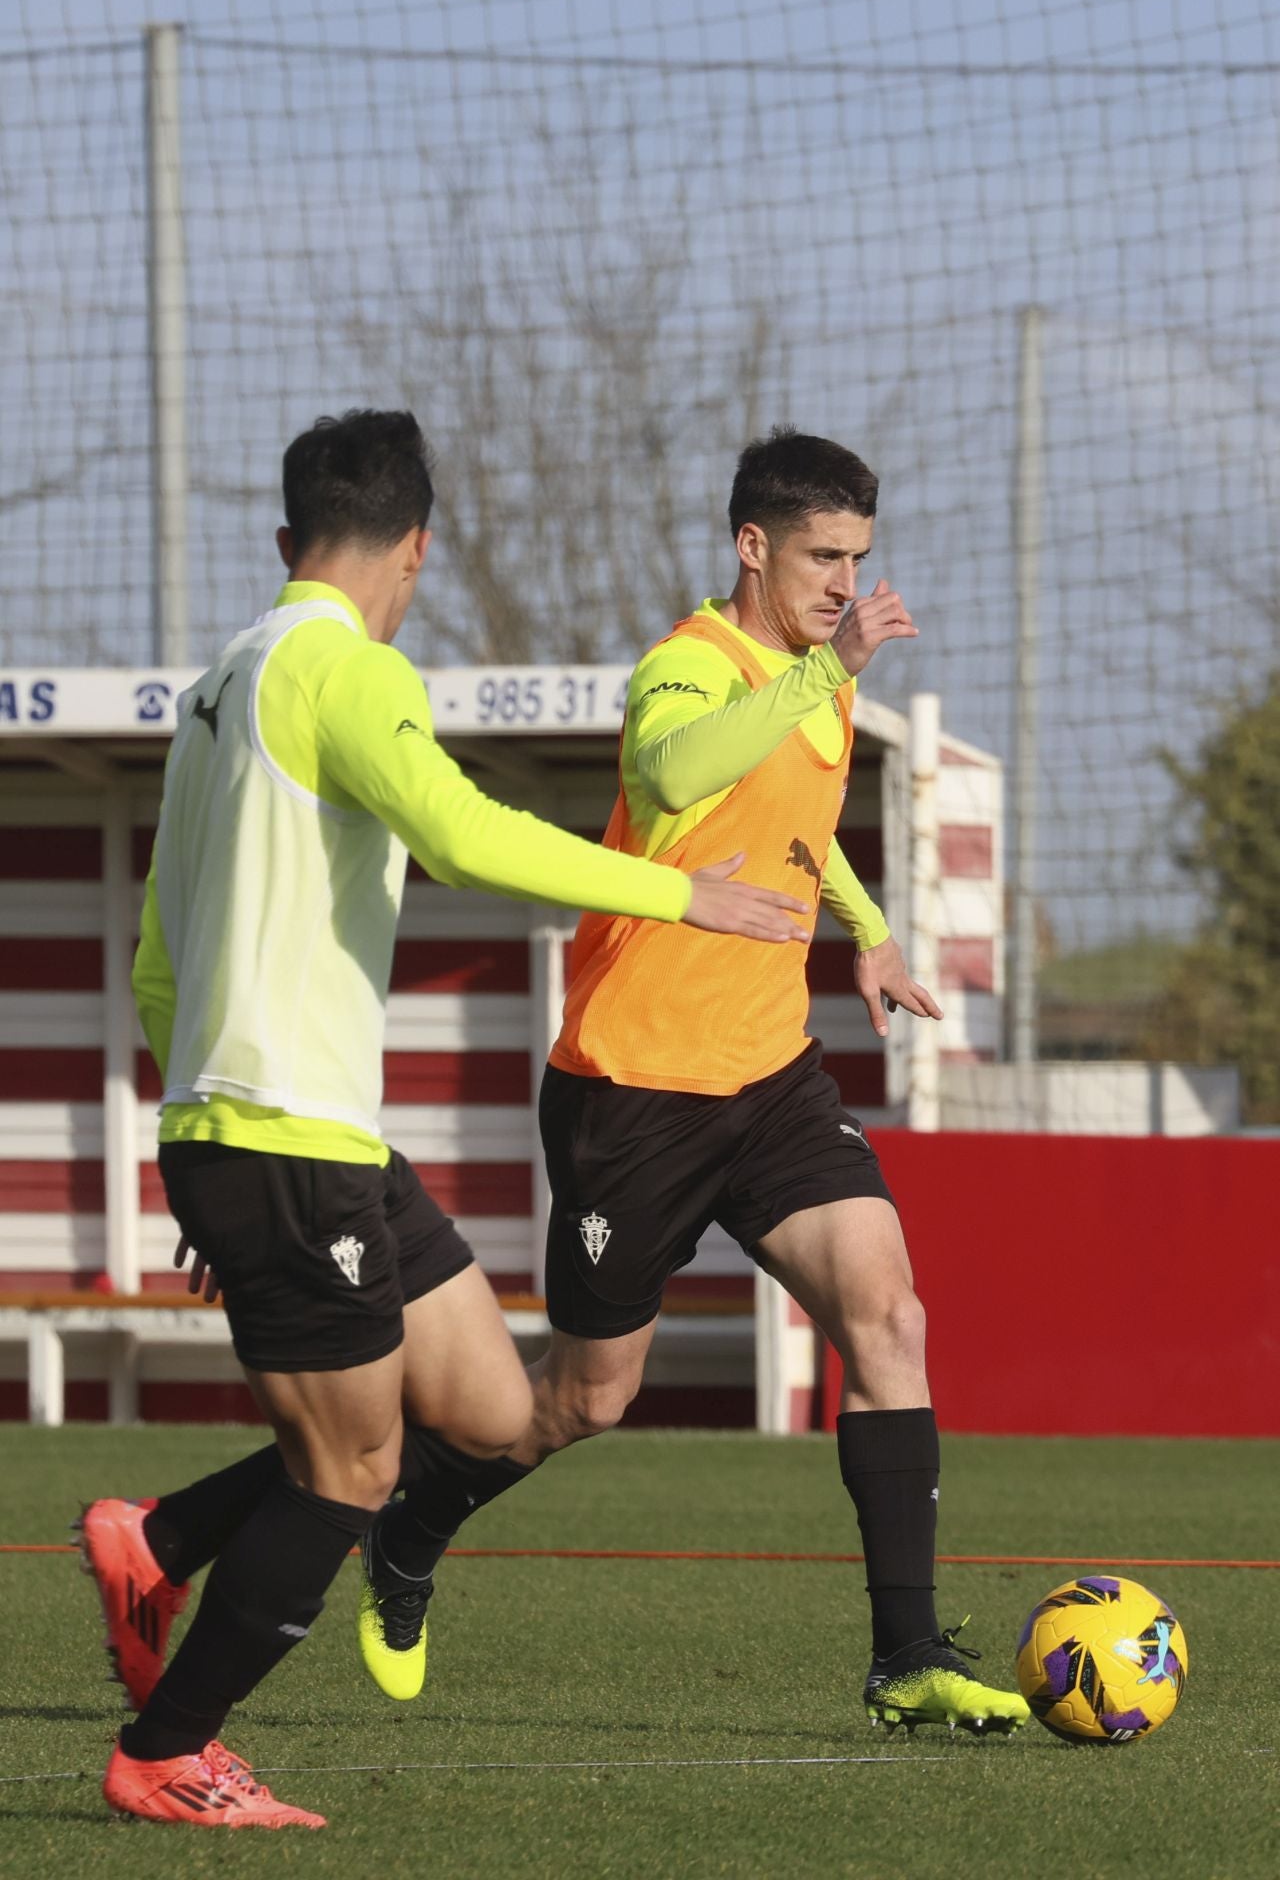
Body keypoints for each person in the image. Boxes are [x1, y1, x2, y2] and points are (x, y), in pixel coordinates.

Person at [77, 409, 809, 1831]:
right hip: (282, 1141)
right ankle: (166, 1751)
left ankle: (154, 1540)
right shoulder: (349, 671)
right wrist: (683, 891)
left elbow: (155, 960)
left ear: (288, 539)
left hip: (300, 1142)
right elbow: (465, 833)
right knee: (347, 1471)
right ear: (415, 549)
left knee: (477, 1410)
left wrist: (199, 1143)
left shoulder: (223, 682)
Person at [356, 427, 1031, 1738]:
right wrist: (818, 675)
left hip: (771, 1078)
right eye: (824, 557)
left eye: (859, 559)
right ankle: (414, 1522)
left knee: (890, 1316)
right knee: (586, 1400)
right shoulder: (689, 666)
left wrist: (866, 925)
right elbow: (672, 777)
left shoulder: (817, 679)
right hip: (634, 1092)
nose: (845, 583)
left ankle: (905, 1657)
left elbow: (793, 822)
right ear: (753, 546)